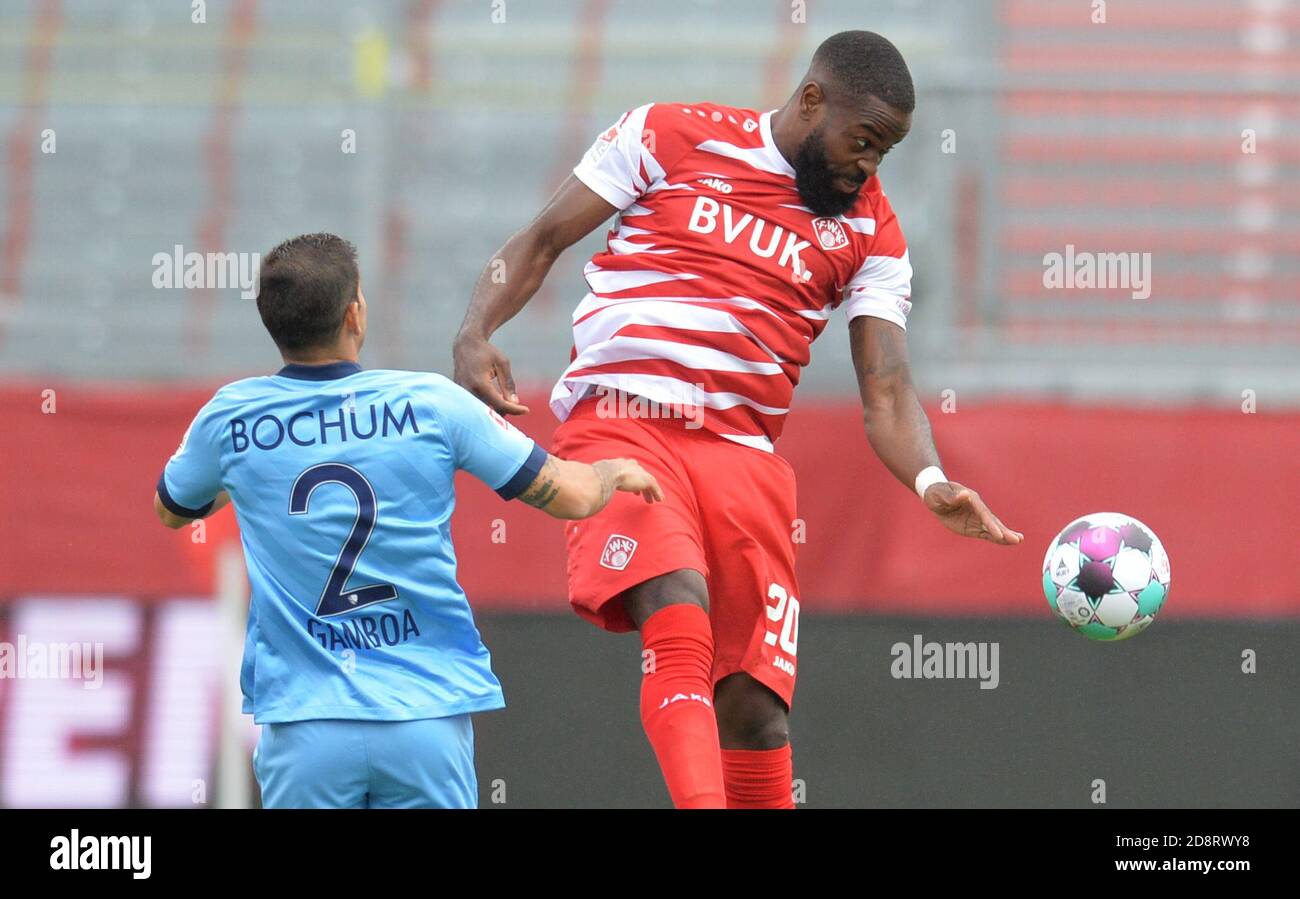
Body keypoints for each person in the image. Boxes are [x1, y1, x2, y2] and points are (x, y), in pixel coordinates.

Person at [453, 31, 1022, 809]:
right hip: (624, 419)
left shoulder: (873, 232)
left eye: (885, 152)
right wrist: (475, 331)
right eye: (863, 142)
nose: (868, 166)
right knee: (675, 601)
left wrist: (929, 480)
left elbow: (886, 388)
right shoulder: (669, 134)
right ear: (813, 100)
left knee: (755, 709)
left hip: (741, 454)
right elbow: (544, 238)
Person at [152, 232, 662, 808]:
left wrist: (249, 474)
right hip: (425, 715)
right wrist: (612, 471)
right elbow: (569, 495)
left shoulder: (232, 419)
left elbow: (174, 509)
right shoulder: (431, 403)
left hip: (305, 726)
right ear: (354, 313)